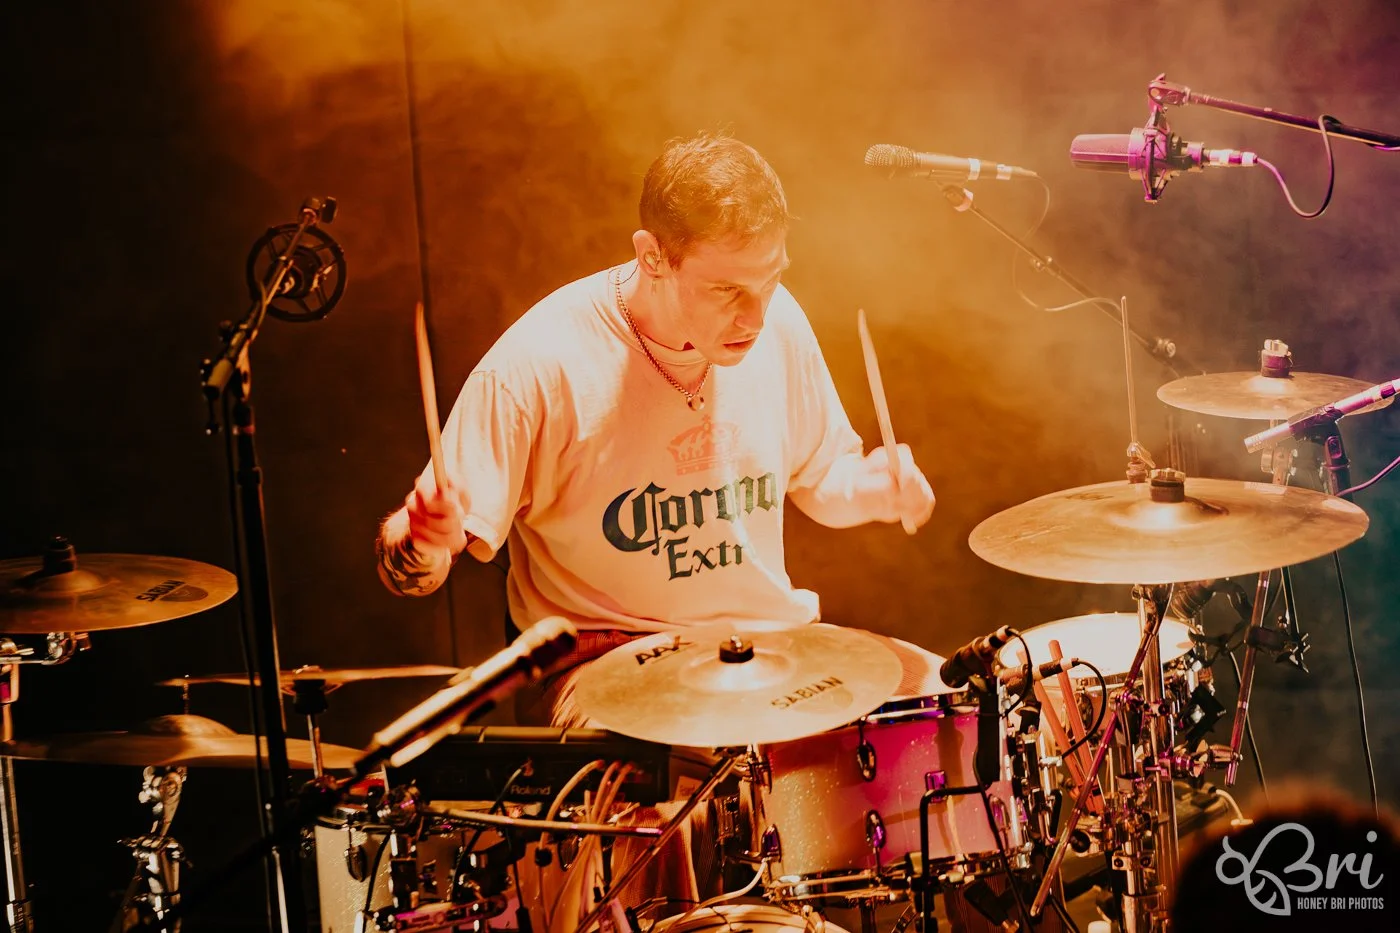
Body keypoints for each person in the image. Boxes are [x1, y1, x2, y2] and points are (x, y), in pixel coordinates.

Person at [375, 130, 938, 726]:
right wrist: (423, 542)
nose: (755, 316)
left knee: (946, 699)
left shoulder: (779, 322)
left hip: (766, 645)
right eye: (726, 290)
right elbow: (408, 572)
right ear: (652, 257)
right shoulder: (538, 364)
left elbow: (822, 478)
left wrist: (869, 488)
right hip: (605, 661)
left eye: (770, 280)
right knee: (709, 762)